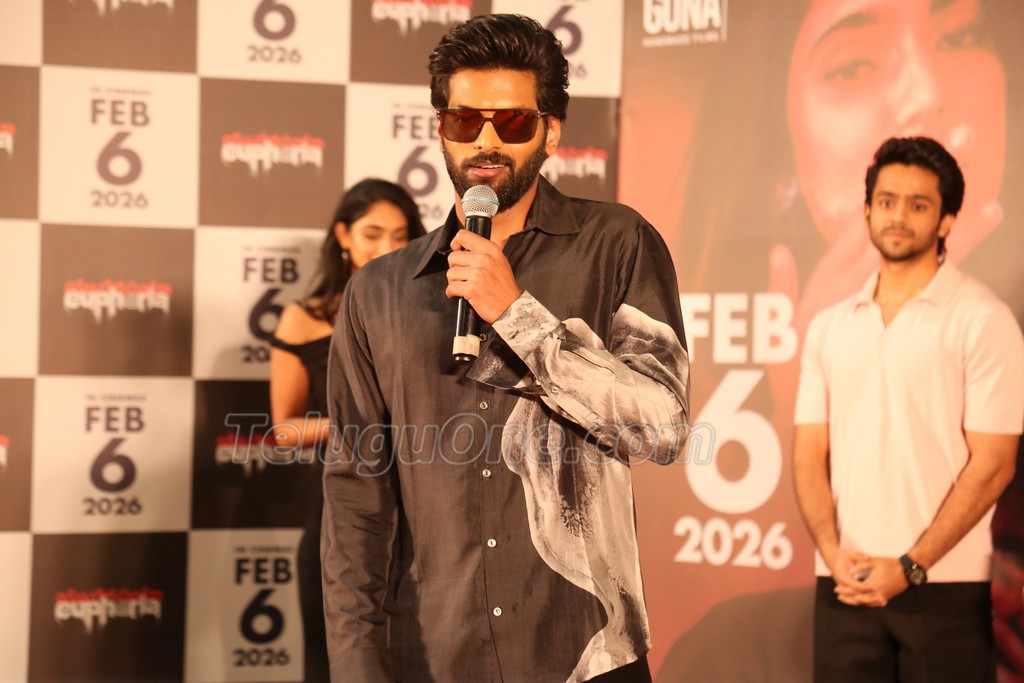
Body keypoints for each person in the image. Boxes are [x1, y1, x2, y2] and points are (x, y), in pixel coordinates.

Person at [321, 13, 691, 683]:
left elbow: (663, 428)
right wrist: (355, 665)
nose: (486, 140)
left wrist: (516, 315)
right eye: (466, 120)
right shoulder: (378, 291)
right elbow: (356, 500)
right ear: (440, 129)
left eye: (513, 122)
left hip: (586, 653)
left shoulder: (617, 243)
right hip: (435, 656)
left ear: (551, 131)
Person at [793, 136, 1024, 681]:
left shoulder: (982, 320)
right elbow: (807, 455)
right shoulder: (829, 326)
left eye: (918, 205)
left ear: (946, 221)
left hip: (943, 586)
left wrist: (912, 566)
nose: (898, 216)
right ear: (868, 210)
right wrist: (831, 552)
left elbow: (994, 464)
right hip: (845, 582)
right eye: (887, 201)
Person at [269, 178, 425, 682]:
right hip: (338, 508)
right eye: (372, 235)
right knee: (337, 658)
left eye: (399, 237)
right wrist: (356, 422)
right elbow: (284, 430)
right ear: (343, 235)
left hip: (424, 513)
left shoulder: (428, 313)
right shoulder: (304, 318)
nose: (385, 249)